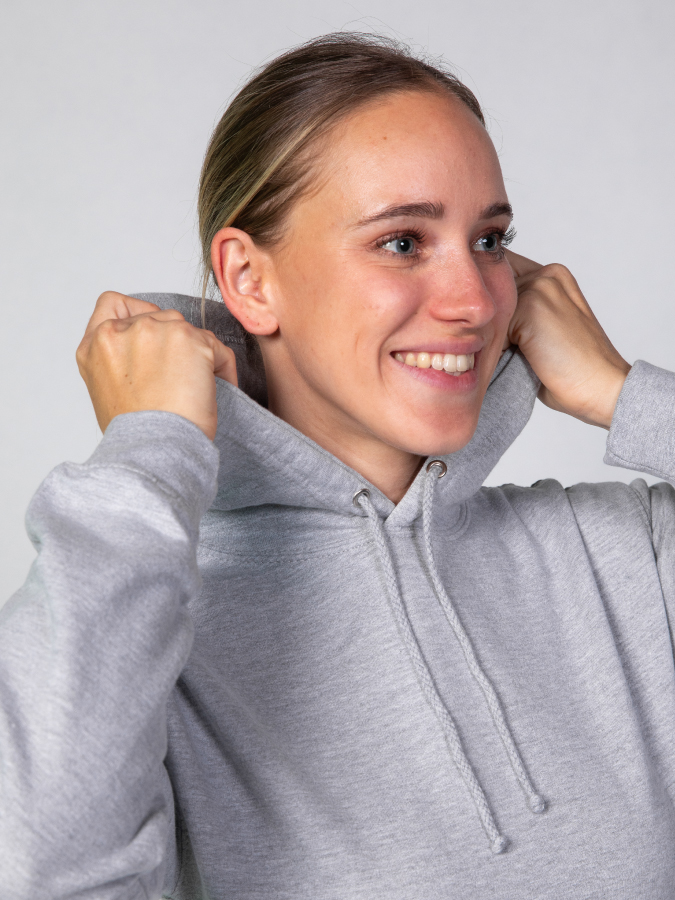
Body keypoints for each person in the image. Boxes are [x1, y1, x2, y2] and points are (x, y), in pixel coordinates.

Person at [1, 31, 674, 900]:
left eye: (488, 240)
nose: (473, 301)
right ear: (249, 280)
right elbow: (36, 868)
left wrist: (623, 395)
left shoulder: (619, 558)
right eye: (402, 241)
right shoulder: (141, 617)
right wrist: (152, 447)